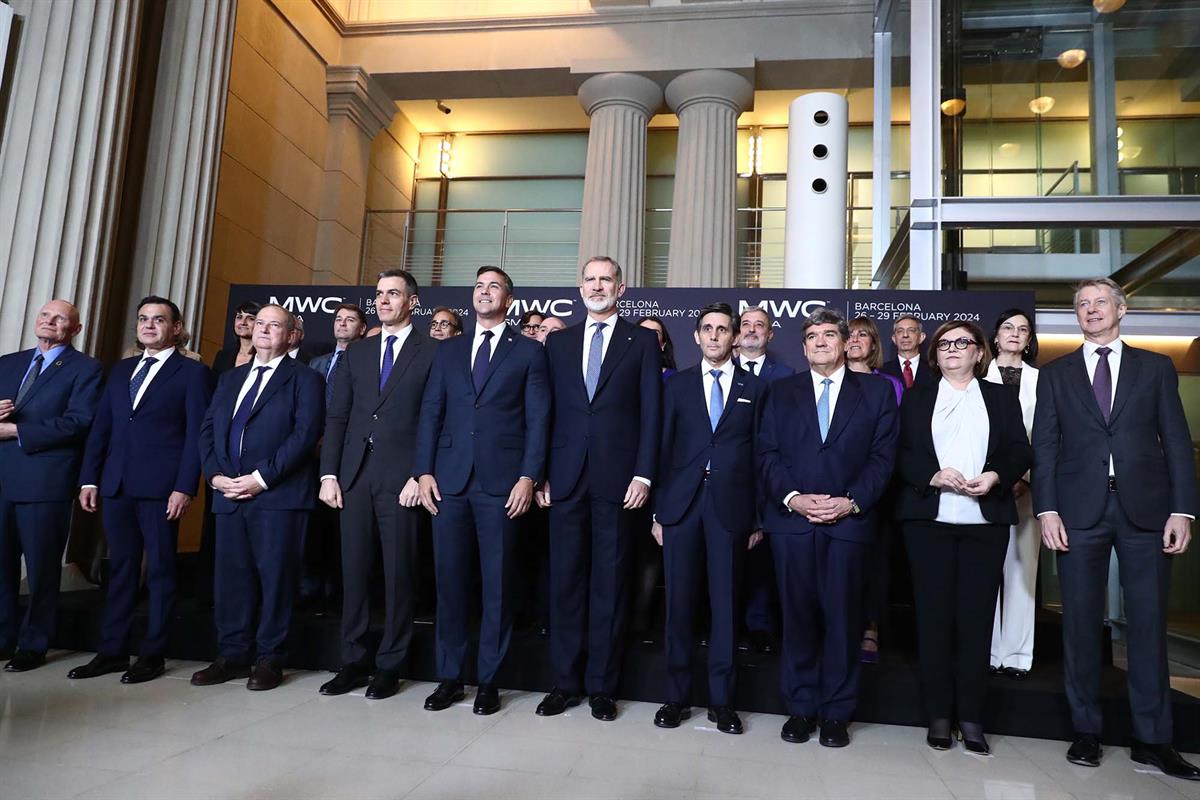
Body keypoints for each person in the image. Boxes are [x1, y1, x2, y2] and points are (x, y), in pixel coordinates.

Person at [1033, 278, 1198, 779]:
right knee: (1081, 624)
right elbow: (1045, 446)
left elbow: (1176, 440)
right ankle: (1086, 732)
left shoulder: (1155, 367)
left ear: (1121, 310)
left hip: (1146, 513)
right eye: (1081, 304)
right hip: (1078, 513)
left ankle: (1154, 739)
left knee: (1147, 626)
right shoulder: (1055, 374)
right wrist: (1047, 511)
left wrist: (1182, 510)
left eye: (1099, 302)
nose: (1090, 310)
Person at [758, 307, 898, 749]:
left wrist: (851, 501)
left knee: (843, 622)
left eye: (829, 335)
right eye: (813, 336)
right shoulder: (781, 391)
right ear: (804, 346)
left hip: (849, 523)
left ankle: (837, 712)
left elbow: (883, 458)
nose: (821, 342)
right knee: (797, 619)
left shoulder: (876, 393)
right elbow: (766, 454)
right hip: (792, 524)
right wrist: (794, 499)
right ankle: (800, 708)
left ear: (845, 341)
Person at [414, 267, 550, 715]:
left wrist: (529, 476)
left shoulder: (528, 351)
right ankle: (450, 677)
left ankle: (489, 680)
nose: (484, 292)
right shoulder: (448, 350)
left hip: (503, 484)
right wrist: (423, 471)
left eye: (493, 286)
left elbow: (538, 420)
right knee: (449, 584)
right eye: (478, 286)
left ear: (508, 299)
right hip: (448, 482)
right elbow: (431, 411)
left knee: (498, 585)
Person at [895, 319, 1030, 756]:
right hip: (928, 523)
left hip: (984, 525)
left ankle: (971, 717)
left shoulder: (1001, 397)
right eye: (945, 344)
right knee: (933, 621)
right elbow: (898, 453)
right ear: (935, 355)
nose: (953, 348)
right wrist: (932, 475)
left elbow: (1020, 451)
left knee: (975, 622)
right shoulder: (916, 398)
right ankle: (938, 715)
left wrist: (995, 475)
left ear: (979, 353)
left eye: (963, 342)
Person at [535, 256, 661, 722]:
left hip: (620, 480)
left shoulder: (642, 341)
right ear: (580, 287)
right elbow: (545, 412)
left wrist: (644, 474)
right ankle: (564, 683)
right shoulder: (559, 342)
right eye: (589, 279)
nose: (597, 286)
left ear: (621, 288)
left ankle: (603, 687)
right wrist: (540, 472)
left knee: (610, 584)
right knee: (565, 582)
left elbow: (653, 413)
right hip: (565, 477)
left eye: (605, 279)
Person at [71, 297, 213, 684]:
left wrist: (184, 487)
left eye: (159, 319)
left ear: (177, 328)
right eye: (143, 319)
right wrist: (89, 478)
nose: (149, 325)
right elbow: (102, 428)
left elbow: (196, 436)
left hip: (162, 488)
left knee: (162, 571)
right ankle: (112, 651)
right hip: (116, 484)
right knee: (120, 570)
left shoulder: (192, 373)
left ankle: (153, 653)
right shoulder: (122, 370)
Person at [318, 269, 436, 701]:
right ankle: (351, 661)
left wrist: (420, 474)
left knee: (398, 574)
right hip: (352, 477)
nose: (383, 301)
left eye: (393, 294)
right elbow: (337, 417)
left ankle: (390, 664)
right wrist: (328, 473)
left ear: (413, 302)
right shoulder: (358, 353)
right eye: (379, 294)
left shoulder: (432, 352)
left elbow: (435, 420)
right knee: (354, 572)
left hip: (402, 480)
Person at [192, 305, 324, 691]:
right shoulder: (230, 379)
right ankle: (231, 655)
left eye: (275, 325)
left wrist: (259, 479)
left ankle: (269, 659)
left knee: (276, 579)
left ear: (291, 334)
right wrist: (216, 476)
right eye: (260, 323)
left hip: (277, 495)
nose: (264, 330)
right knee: (231, 579)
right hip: (228, 493)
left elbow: (304, 435)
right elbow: (208, 430)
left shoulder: (305, 379)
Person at [652, 303, 766, 735]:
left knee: (726, 606)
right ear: (696, 337)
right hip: (680, 508)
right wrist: (658, 512)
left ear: (735, 337)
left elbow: (760, 455)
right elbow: (662, 449)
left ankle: (723, 702)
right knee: (678, 606)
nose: (715, 336)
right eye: (707, 329)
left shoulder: (755, 388)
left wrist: (757, 518)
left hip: (731, 509)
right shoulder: (676, 386)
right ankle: (675, 697)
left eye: (723, 329)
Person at [0, 300, 103, 672]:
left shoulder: (86, 368)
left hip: (45, 481)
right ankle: (2, 638)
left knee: (43, 568)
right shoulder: (7, 362)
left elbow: (79, 422)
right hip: (2, 476)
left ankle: (34, 643)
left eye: (59, 318)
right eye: (45, 315)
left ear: (74, 329)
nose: (49, 321)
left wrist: (15, 430)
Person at [984, 309, 1040, 680]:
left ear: (1030, 339)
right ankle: (989, 651)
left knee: (1022, 570)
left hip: (1029, 488)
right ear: (996, 336)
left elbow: (1049, 435)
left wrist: (1026, 477)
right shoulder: (974, 376)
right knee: (984, 571)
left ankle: (1018, 654)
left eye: (1023, 329)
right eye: (1008, 327)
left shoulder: (1045, 380)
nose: (1015, 333)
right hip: (984, 487)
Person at [734, 306, 794, 655]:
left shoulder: (785, 375)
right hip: (727, 476)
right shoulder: (720, 370)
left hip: (768, 478)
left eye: (760, 325)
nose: (753, 330)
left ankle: (758, 627)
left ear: (771, 335)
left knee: (761, 559)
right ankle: (724, 624)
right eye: (746, 325)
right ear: (736, 333)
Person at [845, 315, 904, 664]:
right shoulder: (827, 380)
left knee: (875, 561)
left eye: (862, 335)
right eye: (849, 334)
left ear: (873, 344)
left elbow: (890, 440)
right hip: (834, 489)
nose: (855, 340)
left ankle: (870, 627)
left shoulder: (890, 385)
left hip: (876, 488)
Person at [303, 303, 368, 613]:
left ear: (363, 328)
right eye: (339, 319)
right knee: (313, 523)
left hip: (349, 451)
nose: (342, 324)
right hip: (312, 451)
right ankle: (310, 586)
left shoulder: (364, 361)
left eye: (350, 320)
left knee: (340, 525)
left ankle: (336, 590)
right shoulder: (317, 363)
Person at [631, 314, 678, 641]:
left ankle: (642, 623)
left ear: (663, 344)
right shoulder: (616, 375)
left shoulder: (674, 381)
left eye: (655, 336)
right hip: (619, 474)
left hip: (660, 476)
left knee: (651, 554)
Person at [880, 315, 935, 390]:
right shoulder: (881, 372)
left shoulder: (934, 370)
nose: (905, 335)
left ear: (921, 337)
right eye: (900, 331)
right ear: (894, 339)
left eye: (911, 330)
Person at [212, 301, 259, 376]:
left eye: (250, 318)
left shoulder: (265, 357)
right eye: (239, 317)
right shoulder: (222, 356)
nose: (243, 322)